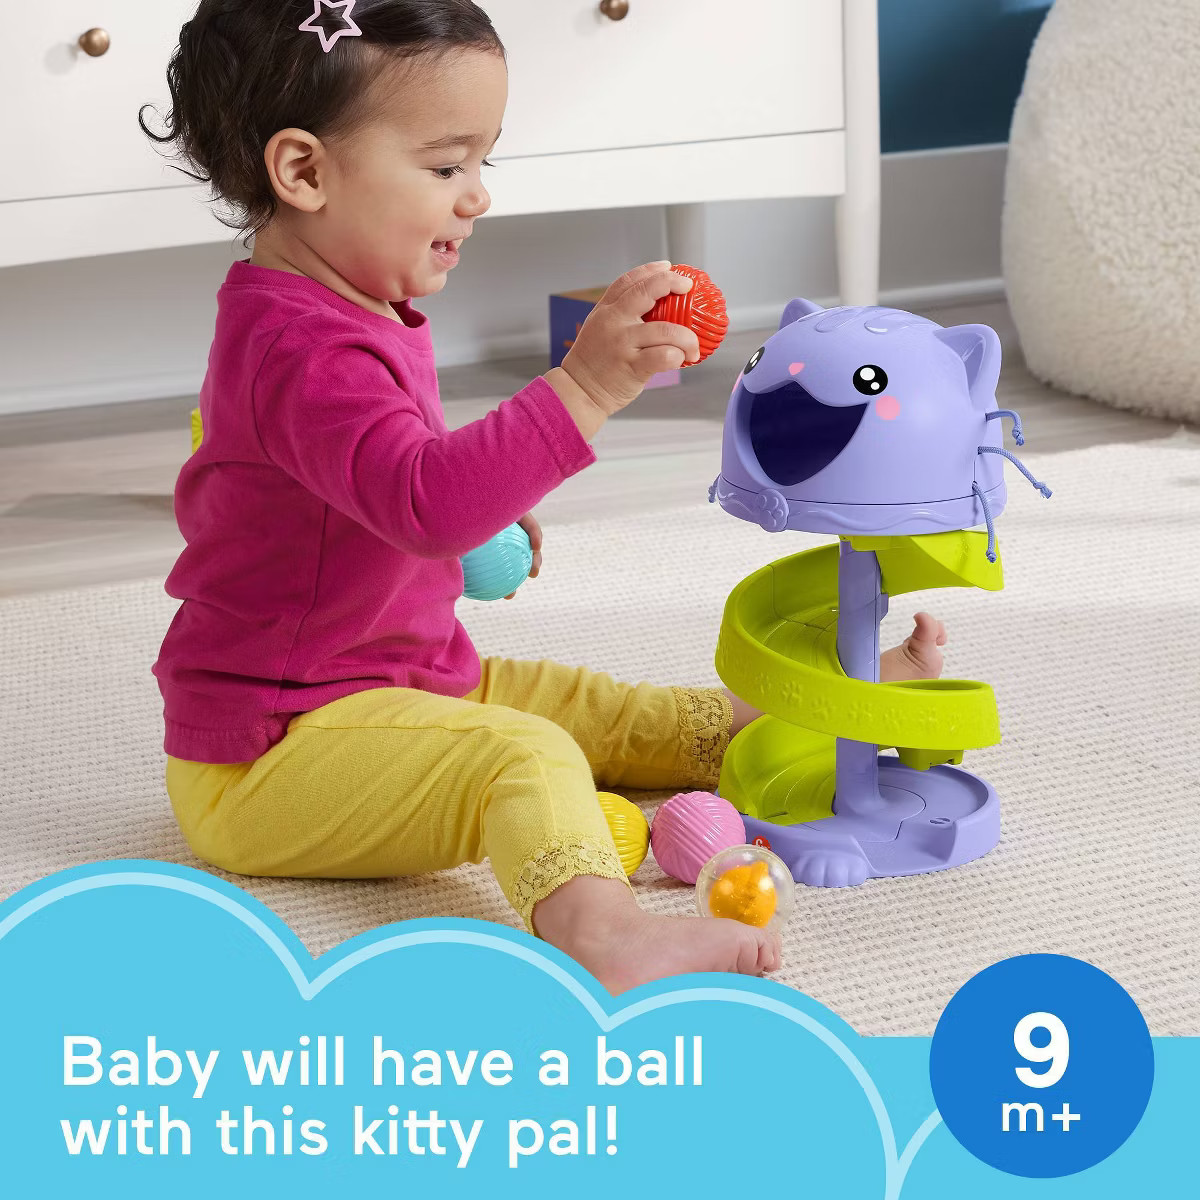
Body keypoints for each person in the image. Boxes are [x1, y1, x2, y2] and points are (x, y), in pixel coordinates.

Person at [147, 0, 948, 994]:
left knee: (583, 706)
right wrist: (586, 387)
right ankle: (603, 935)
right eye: (447, 166)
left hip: (393, 678)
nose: (477, 196)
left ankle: (781, 718)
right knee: (523, 757)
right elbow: (424, 502)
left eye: (483, 162)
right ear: (304, 172)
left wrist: (474, 501)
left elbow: (384, 487)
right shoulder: (298, 349)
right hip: (268, 754)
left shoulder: (345, 306)